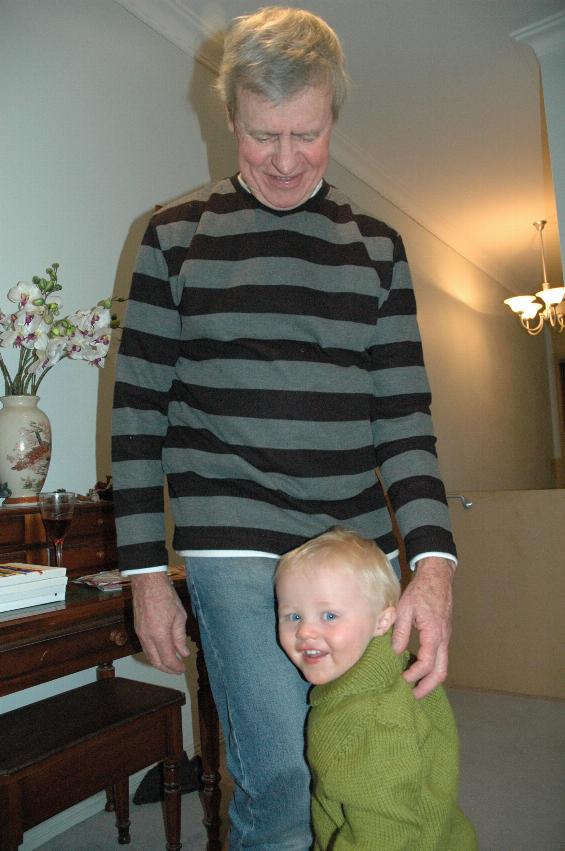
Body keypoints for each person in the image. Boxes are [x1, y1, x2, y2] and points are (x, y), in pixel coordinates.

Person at [112, 7, 457, 849]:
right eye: (263, 135)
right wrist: (145, 573)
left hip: (355, 544)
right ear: (229, 117)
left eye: (307, 133)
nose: (284, 159)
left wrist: (434, 562)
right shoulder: (175, 239)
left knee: (380, 758)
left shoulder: (377, 248)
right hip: (233, 535)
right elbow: (137, 413)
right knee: (284, 771)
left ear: (333, 115)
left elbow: (404, 416)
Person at [276, 527, 477, 850]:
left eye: (329, 615)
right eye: (292, 615)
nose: (306, 631)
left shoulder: (370, 721)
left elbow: (385, 835)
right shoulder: (390, 671)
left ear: (383, 622)